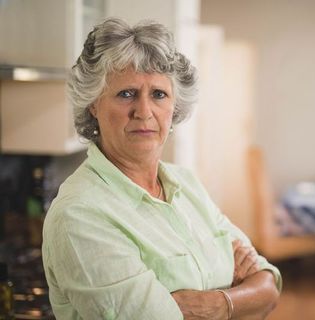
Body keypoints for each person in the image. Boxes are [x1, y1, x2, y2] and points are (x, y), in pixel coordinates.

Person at [41, 18, 281, 319]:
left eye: (158, 94)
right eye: (126, 93)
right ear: (93, 104)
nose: (144, 111)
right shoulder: (79, 214)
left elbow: (269, 286)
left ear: (174, 106)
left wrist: (215, 305)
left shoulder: (186, 182)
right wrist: (239, 294)